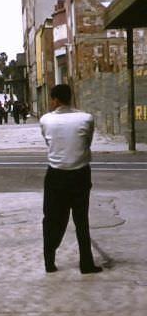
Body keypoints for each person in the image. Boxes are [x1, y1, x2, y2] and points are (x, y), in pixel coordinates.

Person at [39, 84, 102, 274]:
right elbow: (87, 142)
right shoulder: (86, 118)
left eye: (51, 99)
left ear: (56, 100)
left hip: (56, 174)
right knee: (81, 220)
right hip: (80, 174)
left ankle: (49, 262)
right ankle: (86, 263)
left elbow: (49, 141)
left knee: (51, 219)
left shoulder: (46, 120)